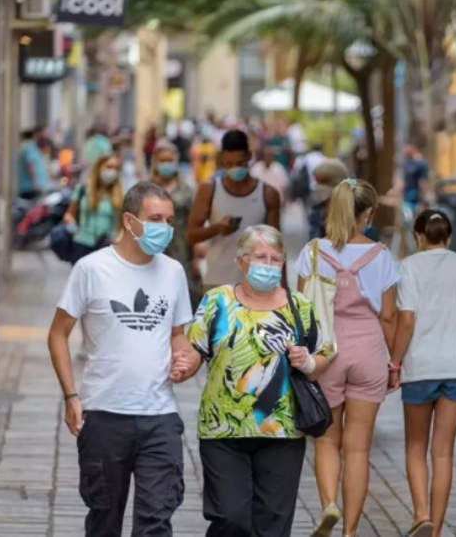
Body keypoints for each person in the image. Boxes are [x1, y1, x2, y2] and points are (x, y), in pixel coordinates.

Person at [46, 181, 203, 537]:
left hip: (160, 415)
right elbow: (58, 333)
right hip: (104, 414)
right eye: (155, 218)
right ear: (130, 221)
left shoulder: (173, 272)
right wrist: (71, 395)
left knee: (156, 521)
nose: (164, 227)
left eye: (169, 219)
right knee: (104, 521)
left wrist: (185, 359)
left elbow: (180, 333)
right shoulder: (91, 269)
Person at [188, 226, 335, 537]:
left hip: (282, 430)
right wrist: (181, 365)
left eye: (275, 259)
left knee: (273, 524)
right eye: (260, 257)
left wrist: (308, 361)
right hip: (222, 428)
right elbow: (194, 350)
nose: (268, 265)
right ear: (242, 261)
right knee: (231, 518)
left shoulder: (299, 307)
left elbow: (323, 356)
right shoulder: (217, 301)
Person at [294, 179, 400, 537]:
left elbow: (302, 310)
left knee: (327, 441)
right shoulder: (381, 256)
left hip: (326, 353)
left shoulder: (311, 252)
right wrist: (395, 363)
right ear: (368, 213)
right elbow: (388, 316)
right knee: (358, 449)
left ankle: (328, 505)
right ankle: (351, 532)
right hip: (368, 351)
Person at [389, 210, 456, 537]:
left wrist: (394, 364)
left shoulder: (409, 267)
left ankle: (420, 514)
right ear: (448, 238)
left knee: (415, 448)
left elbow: (406, 320)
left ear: (419, 237)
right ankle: (434, 532)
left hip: (420, 367)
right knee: (443, 452)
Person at [188, 130, 283, 291]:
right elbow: (191, 235)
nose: (234, 169)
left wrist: (283, 287)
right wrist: (217, 228)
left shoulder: (268, 194)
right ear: (222, 159)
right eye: (229, 164)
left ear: (249, 156)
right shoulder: (209, 189)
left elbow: (277, 245)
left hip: (257, 285)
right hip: (217, 282)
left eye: (240, 163)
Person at [152, 141, 204, 312]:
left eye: (170, 160)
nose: (166, 165)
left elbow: (195, 221)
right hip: (154, 247)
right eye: (163, 160)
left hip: (181, 248)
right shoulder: (148, 188)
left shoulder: (187, 189)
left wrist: (197, 254)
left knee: (185, 292)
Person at [64, 153, 125, 263]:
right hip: (82, 244)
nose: (112, 172)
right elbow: (69, 214)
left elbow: (123, 224)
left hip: (107, 247)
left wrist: (119, 239)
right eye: (109, 167)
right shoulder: (83, 189)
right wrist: (73, 227)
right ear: (99, 167)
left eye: (116, 168)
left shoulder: (119, 194)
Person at [307, 160, 351, 240]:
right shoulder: (316, 213)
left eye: (324, 181)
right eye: (317, 182)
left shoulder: (358, 214)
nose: (319, 186)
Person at [19, 126, 52, 200]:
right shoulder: (30, 147)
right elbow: (30, 165)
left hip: (29, 187)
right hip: (30, 188)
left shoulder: (28, 146)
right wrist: (34, 184)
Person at [402, 143, 430, 212]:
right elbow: (404, 181)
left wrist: (423, 198)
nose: (404, 150)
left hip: (416, 196)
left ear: (412, 147)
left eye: (406, 147)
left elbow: (423, 182)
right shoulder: (407, 163)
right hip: (407, 196)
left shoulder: (421, 164)